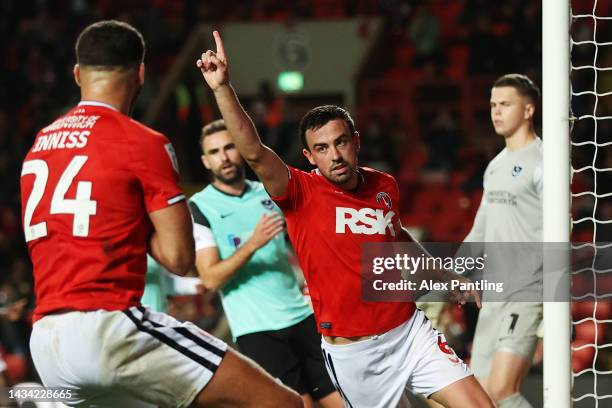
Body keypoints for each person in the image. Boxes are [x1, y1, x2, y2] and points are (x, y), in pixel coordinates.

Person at [197, 30, 494, 408]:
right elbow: (254, 152)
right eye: (321, 148)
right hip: (354, 357)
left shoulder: (384, 185)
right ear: (309, 156)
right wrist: (222, 88)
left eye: (340, 142)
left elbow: (398, 239)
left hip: (408, 332)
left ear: (356, 141)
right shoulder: (298, 192)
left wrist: (448, 276)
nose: (334, 155)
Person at [20, 20, 302, 408]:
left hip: (47, 341)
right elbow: (180, 259)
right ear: (140, 72)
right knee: (280, 403)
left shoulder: (40, 145)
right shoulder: (142, 143)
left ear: (77, 74)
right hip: (111, 330)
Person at [190, 118, 344, 408]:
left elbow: (307, 240)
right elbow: (209, 278)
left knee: (344, 401)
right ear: (205, 161)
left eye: (229, 147)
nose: (224, 157)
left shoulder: (267, 192)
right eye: (214, 152)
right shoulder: (199, 207)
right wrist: (253, 243)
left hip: (302, 317)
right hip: (257, 330)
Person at [463, 73, 543, 407]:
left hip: (527, 289)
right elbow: (479, 231)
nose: (496, 111)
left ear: (528, 110)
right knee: (476, 395)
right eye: (493, 105)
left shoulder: (544, 162)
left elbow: (559, 232)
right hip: (493, 292)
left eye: (505, 104)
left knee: (501, 391)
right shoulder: (495, 166)